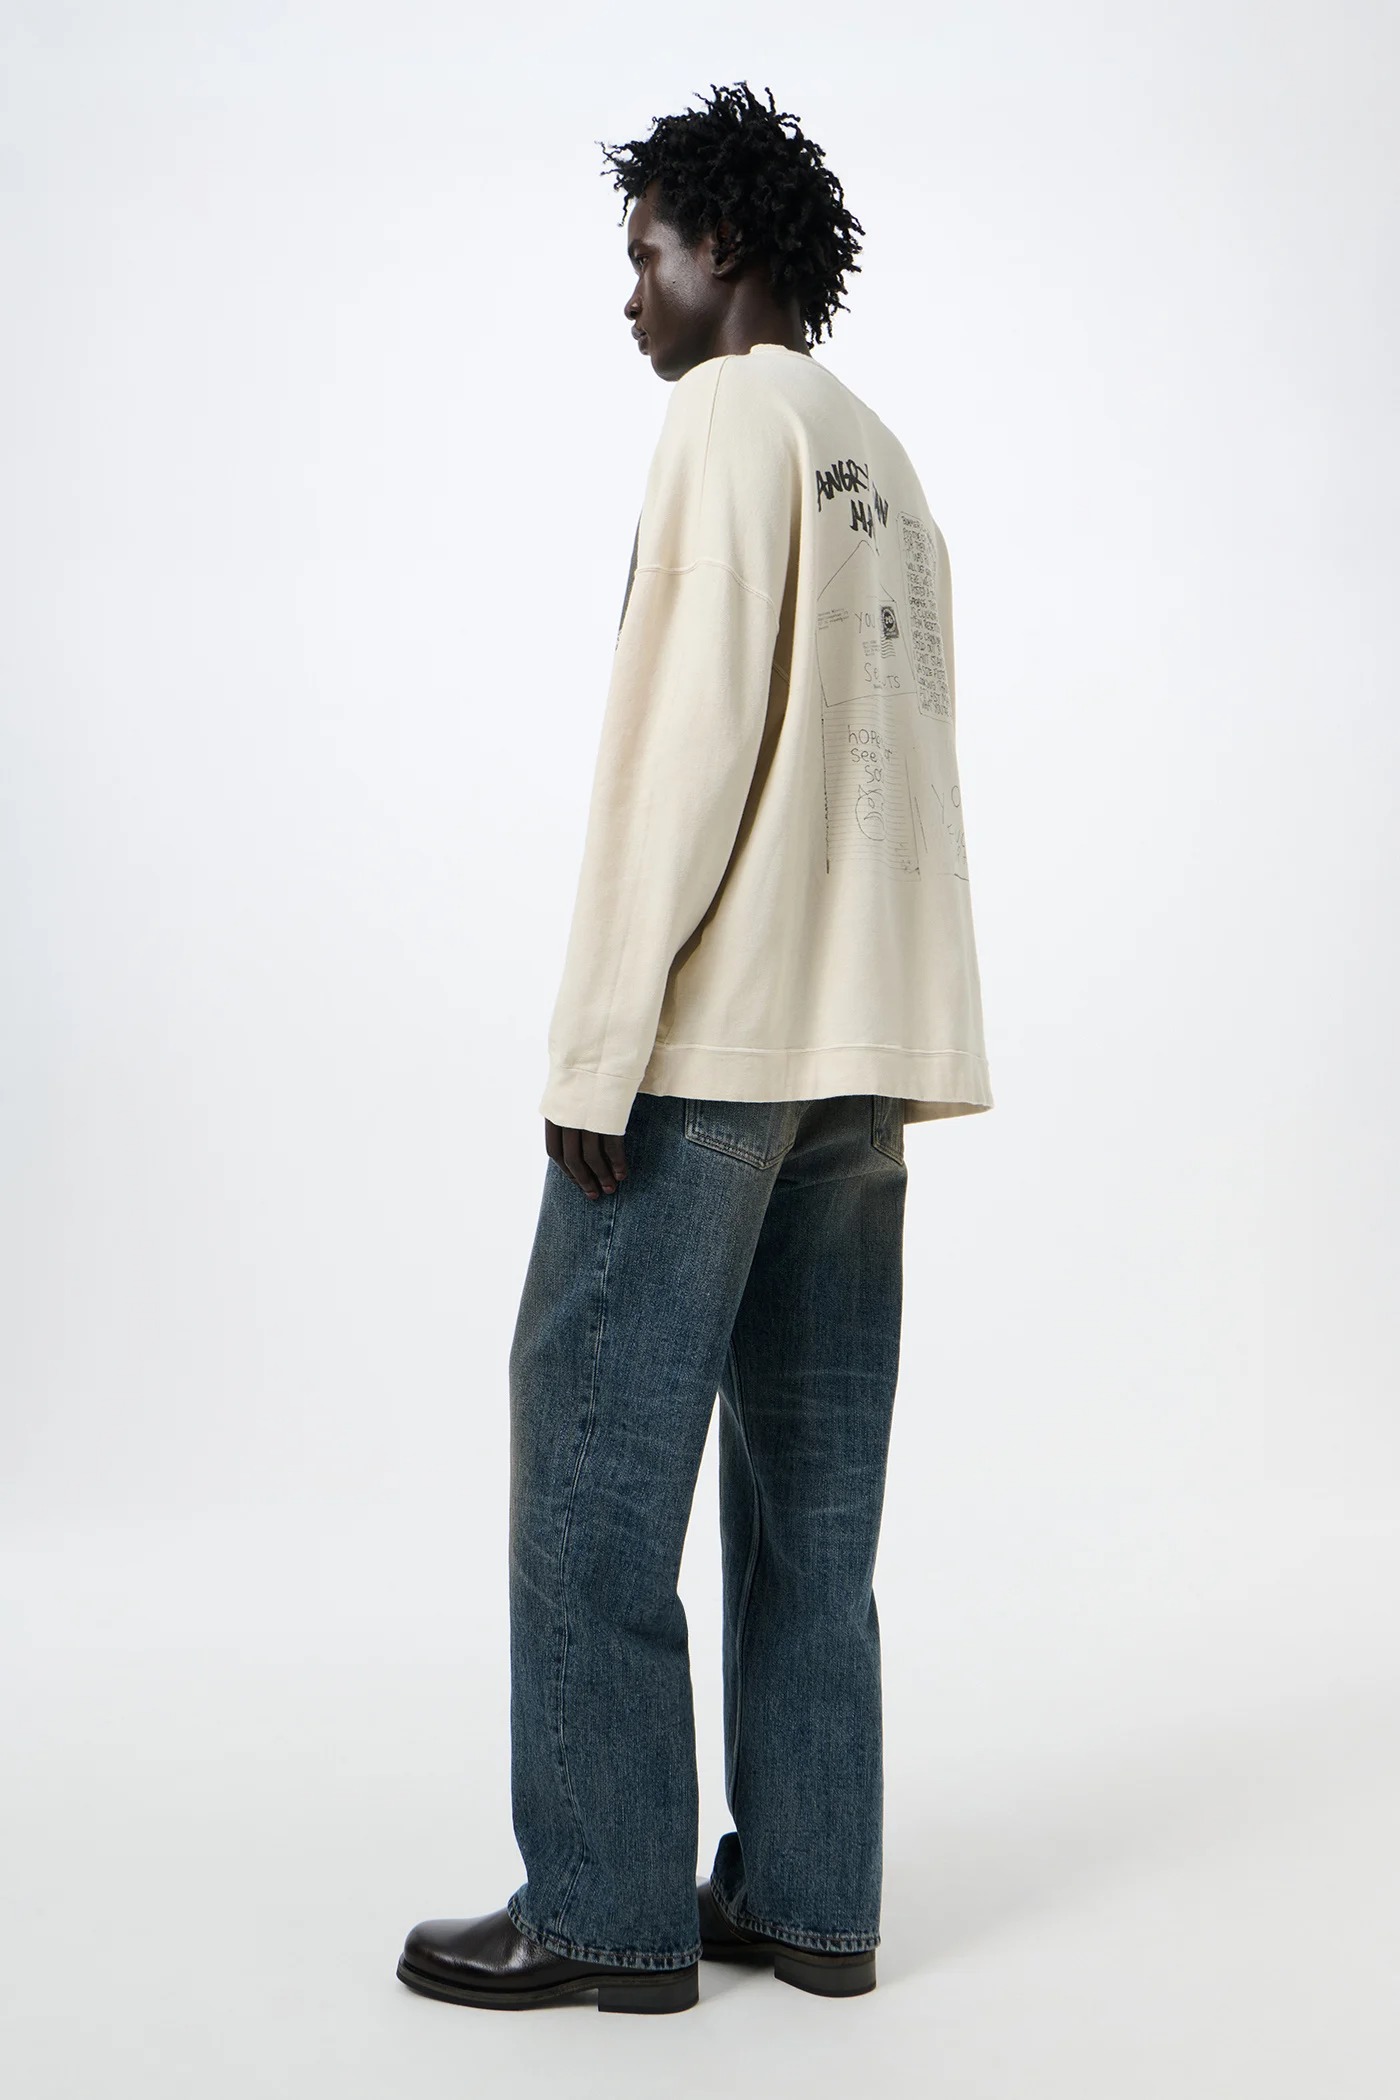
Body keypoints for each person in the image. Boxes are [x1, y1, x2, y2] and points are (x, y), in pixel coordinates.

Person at [396, 79, 993, 2016]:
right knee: (811, 1507)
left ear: (722, 245)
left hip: (714, 1050)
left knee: (590, 1452)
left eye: (645, 250)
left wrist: (598, 1050)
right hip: (858, 1062)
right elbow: (903, 777)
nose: (631, 294)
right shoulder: (884, 457)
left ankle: (605, 1905)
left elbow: (682, 747)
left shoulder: (726, 420)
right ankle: (811, 1899)